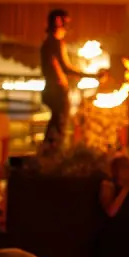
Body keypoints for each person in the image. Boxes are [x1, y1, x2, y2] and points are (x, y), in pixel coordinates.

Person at [40, 9, 106, 151]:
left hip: (53, 90)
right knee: (59, 126)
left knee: (57, 124)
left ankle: (49, 153)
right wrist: (92, 76)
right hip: (56, 91)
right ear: (58, 22)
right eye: (66, 22)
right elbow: (65, 68)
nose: (67, 27)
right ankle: (52, 154)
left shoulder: (50, 43)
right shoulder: (54, 43)